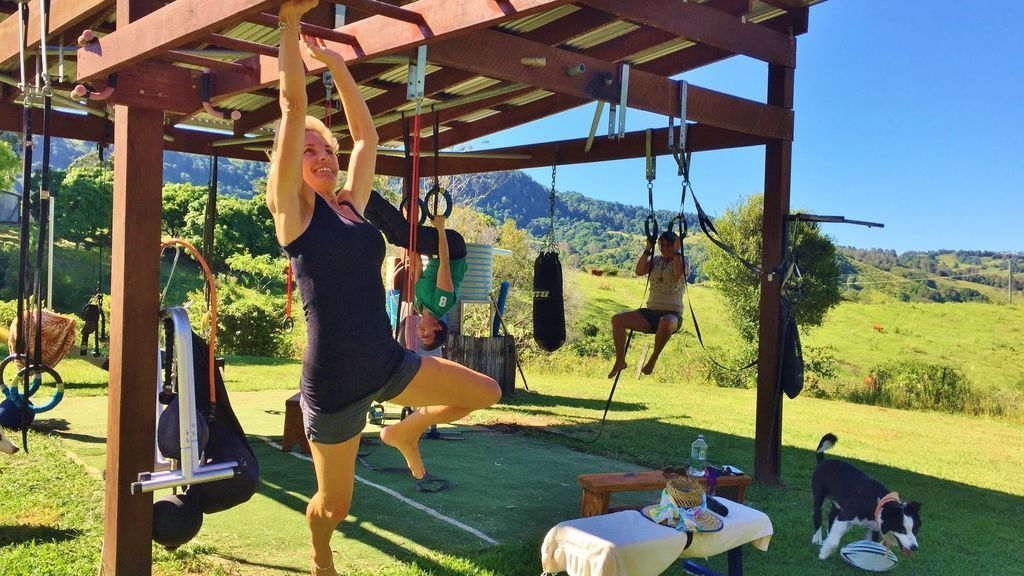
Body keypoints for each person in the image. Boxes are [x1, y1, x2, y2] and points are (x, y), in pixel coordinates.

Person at [265, 3, 501, 575]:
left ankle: (405, 429)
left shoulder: (350, 206)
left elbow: (367, 139)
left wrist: (338, 66)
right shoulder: (292, 215)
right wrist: (291, 28)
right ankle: (320, 554)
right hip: (335, 382)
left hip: (386, 359)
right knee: (334, 507)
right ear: (290, 165)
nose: (324, 156)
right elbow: (293, 107)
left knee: (486, 393)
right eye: (310, 151)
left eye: (327, 149)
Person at [364, 191, 467, 350]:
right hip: (453, 248)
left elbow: (418, 265)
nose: (420, 333)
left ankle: (364, 206)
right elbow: (445, 263)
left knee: (396, 238)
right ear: (437, 327)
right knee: (403, 234)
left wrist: (412, 242)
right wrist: (440, 228)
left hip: (440, 252)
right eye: (426, 335)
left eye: (421, 337)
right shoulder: (441, 303)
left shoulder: (419, 306)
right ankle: (368, 196)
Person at [608, 231, 688, 378]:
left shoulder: (683, 260)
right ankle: (620, 360)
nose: (662, 248)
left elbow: (678, 274)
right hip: (650, 313)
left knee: (666, 321)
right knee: (617, 320)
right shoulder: (656, 260)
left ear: (673, 245)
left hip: (672, 316)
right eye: (660, 244)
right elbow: (639, 271)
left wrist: (677, 251)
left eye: (666, 245)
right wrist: (647, 249)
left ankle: (653, 358)